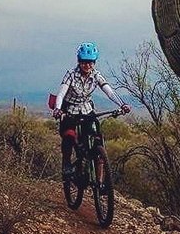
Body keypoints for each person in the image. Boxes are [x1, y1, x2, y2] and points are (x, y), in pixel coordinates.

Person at [53, 42, 130, 179]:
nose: (87, 65)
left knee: (97, 139)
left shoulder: (96, 75)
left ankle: (100, 181)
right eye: (84, 62)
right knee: (69, 136)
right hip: (70, 110)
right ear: (79, 61)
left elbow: (109, 91)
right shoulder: (71, 75)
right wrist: (58, 109)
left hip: (87, 109)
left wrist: (122, 104)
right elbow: (61, 93)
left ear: (94, 62)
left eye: (90, 62)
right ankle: (66, 164)